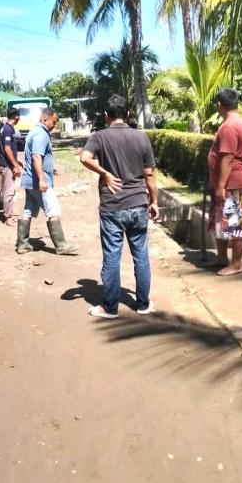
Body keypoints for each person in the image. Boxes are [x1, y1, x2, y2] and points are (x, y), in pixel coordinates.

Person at [79, 94, 159, 318]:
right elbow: (150, 174)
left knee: (112, 256)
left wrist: (105, 173)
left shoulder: (100, 136)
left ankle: (110, 307)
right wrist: (154, 201)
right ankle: (143, 304)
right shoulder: (141, 138)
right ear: (128, 114)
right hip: (138, 203)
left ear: (106, 116)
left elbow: (85, 158)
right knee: (141, 255)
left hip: (112, 206)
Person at [16, 108, 76, 255]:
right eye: (53, 122)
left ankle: (22, 244)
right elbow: (37, 157)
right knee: (53, 210)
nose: (54, 125)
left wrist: (51, 168)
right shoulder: (41, 134)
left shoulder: (34, 131)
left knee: (28, 210)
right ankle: (61, 245)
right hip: (38, 182)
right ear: (45, 119)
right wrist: (42, 179)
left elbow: (37, 156)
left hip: (30, 180)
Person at [208, 87, 242, 276]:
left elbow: (227, 158)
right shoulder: (236, 122)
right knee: (222, 220)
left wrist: (220, 186)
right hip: (229, 180)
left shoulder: (229, 126)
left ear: (219, 105)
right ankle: (222, 257)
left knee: (234, 223)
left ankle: (236, 263)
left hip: (231, 181)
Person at [0, 108, 23, 226]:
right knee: (9, 191)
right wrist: (15, 166)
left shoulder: (6, 128)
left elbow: (7, 149)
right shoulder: (8, 130)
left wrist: (17, 160)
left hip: (8, 163)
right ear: (16, 117)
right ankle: (8, 217)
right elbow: (7, 149)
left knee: (9, 190)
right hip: (7, 166)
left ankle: (9, 215)